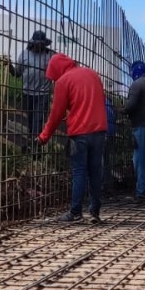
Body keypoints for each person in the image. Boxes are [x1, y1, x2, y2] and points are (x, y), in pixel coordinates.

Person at [38, 53, 107, 223]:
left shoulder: (63, 81)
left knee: (79, 171)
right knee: (95, 171)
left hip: (79, 133)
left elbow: (56, 114)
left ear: (56, 70)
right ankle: (94, 211)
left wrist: (43, 137)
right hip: (99, 131)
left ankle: (75, 212)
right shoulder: (92, 74)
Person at [122, 60, 145, 203]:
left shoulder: (137, 84)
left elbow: (130, 106)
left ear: (135, 71)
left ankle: (143, 193)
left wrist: (122, 110)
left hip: (142, 127)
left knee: (140, 161)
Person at [10, 30, 53, 148]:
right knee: (30, 120)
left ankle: (35, 148)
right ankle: (32, 143)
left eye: (41, 44)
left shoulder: (49, 55)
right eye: (37, 43)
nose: (39, 46)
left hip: (43, 93)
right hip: (27, 93)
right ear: (33, 43)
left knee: (37, 121)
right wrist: (9, 66)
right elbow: (17, 73)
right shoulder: (24, 54)